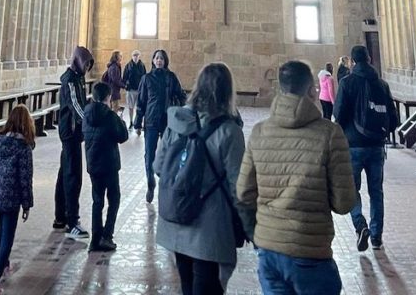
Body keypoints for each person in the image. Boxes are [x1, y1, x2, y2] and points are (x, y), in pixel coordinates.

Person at [237, 60, 356, 295]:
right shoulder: (330, 134)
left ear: (280, 90)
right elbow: (344, 203)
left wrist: (260, 232)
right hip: (310, 251)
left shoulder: (260, 131)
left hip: (269, 250)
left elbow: (243, 193)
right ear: (313, 90)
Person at [156, 62, 248, 294]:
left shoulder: (176, 123)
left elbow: (158, 166)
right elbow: (239, 187)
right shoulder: (229, 131)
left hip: (177, 221)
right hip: (210, 228)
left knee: (188, 286)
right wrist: (251, 227)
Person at [332, 43, 398, 252]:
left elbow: (339, 114)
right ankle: (377, 236)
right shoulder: (382, 84)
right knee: (376, 191)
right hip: (377, 146)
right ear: (369, 59)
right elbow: (393, 119)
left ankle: (360, 224)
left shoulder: (347, 82)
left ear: (352, 61)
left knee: (352, 189)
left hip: (353, 145)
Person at [0, 104, 34, 295]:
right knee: (7, 240)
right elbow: (25, 178)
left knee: (1, 230)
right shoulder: (24, 148)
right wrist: (27, 204)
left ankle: (4, 266)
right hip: (12, 198)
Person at [83, 81, 129, 253]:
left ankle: (95, 239)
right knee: (114, 199)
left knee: (97, 201)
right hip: (109, 164)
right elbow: (122, 136)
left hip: (93, 163)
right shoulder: (110, 116)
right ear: (108, 98)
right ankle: (107, 236)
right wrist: (121, 120)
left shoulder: (86, 115)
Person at [53, 44, 93, 240]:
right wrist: (89, 123)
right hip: (70, 131)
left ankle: (60, 217)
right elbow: (75, 105)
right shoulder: (70, 79)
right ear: (78, 61)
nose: (87, 69)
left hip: (74, 132)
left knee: (65, 173)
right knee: (73, 175)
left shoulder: (78, 77)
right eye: (86, 65)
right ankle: (72, 222)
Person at [135, 48, 185, 202]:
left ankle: (166, 180)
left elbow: (181, 95)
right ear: (153, 60)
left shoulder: (171, 77)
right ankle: (150, 182)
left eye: (162, 58)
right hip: (151, 121)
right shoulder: (147, 78)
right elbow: (141, 101)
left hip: (167, 120)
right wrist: (137, 121)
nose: (159, 61)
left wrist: (180, 110)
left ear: (165, 61)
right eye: (157, 58)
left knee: (169, 151)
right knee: (149, 153)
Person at [122, 49, 146, 129]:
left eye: (137, 55)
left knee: (139, 107)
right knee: (130, 107)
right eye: (134, 55)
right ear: (132, 56)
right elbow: (124, 77)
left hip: (139, 90)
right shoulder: (128, 65)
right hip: (131, 89)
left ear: (139, 56)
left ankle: (138, 122)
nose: (135, 57)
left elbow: (144, 77)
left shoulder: (142, 65)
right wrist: (126, 85)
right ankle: (131, 121)